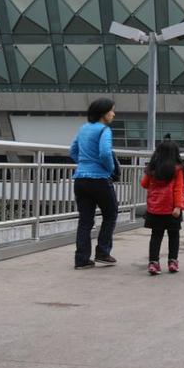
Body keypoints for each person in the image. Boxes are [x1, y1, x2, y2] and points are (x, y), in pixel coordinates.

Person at [69, 98, 119, 270]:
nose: (114, 114)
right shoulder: (104, 130)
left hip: (81, 179)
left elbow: (73, 150)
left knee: (85, 220)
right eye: (112, 110)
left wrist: (83, 164)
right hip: (99, 179)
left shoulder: (83, 129)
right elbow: (105, 153)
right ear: (104, 113)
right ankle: (103, 252)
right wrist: (110, 169)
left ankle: (81, 259)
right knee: (110, 213)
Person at [141, 139, 184, 275]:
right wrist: (178, 207)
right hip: (172, 209)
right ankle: (172, 261)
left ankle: (153, 263)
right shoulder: (177, 169)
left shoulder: (152, 168)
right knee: (174, 235)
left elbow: (144, 184)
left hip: (154, 208)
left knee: (156, 235)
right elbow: (178, 189)